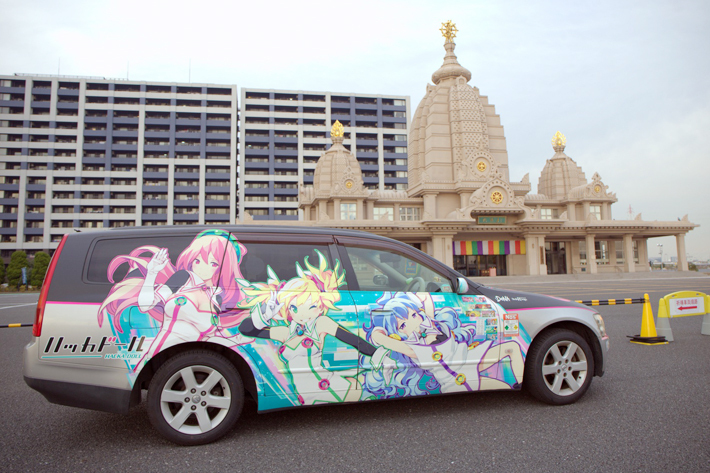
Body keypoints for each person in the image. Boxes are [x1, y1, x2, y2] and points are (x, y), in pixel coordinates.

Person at [238, 250, 381, 406]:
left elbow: (354, 340)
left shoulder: (320, 323)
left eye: (311, 306)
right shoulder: (285, 332)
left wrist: (379, 355)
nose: (301, 313)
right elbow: (246, 329)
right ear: (288, 309)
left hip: (333, 388)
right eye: (294, 307)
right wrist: (265, 314)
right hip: (305, 395)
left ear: (321, 307)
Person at [98, 229, 249, 372]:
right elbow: (145, 305)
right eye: (197, 260)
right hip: (160, 357)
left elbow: (213, 336)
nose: (202, 268)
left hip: (191, 362)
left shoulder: (218, 296)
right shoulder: (184, 278)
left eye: (213, 263)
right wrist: (152, 273)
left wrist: (245, 336)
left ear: (225, 267)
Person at [362, 292, 524, 399]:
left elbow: (428, 309)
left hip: (468, 359)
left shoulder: (430, 325)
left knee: (512, 348)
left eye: (413, 314)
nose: (414, 320)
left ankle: (520, 384)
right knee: (502, 386)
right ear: (399, 332)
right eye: (403, 325)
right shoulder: (414, 347)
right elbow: (392, 344)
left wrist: (425, 297)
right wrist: (380, 337)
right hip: (458, 378)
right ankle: (518, 386)